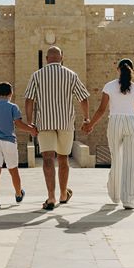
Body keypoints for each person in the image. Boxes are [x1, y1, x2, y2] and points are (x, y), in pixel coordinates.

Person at [24, 46, 91, 211]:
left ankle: (51, 197)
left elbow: (29, 100)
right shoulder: (71, 75)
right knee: (63, 158)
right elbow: (83, 98)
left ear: (46, 59)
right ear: (62, 57)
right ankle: (63, 194)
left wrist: (30, 123)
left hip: (45, 123)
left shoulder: (37, 75)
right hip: (66, 123)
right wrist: (86, 118)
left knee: (47, 159)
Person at [82, 58, 134, 209]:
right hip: (132, 123)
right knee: (132, 161)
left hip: (115, 122)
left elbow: (101, 110)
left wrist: (90, 125)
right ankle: (128, 200)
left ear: (118, 70)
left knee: (117, 158)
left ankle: (115, 195)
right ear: (132, 70)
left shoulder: (109, 86)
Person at [0, 82, 38, 209]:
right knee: (13, 170)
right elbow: (18, 124)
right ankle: (18, 193)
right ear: (11, 93)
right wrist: (31, 130)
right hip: (8, 141)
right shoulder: (13, 107)